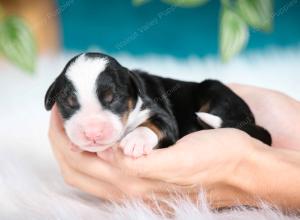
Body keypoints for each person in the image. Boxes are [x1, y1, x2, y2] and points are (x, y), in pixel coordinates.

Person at [48, 84, 300, 210]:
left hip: (209, 99)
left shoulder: (147, 101)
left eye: (110, 102)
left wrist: (247, 167)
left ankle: (236, 125)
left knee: (211, 91)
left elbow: (162, 123)